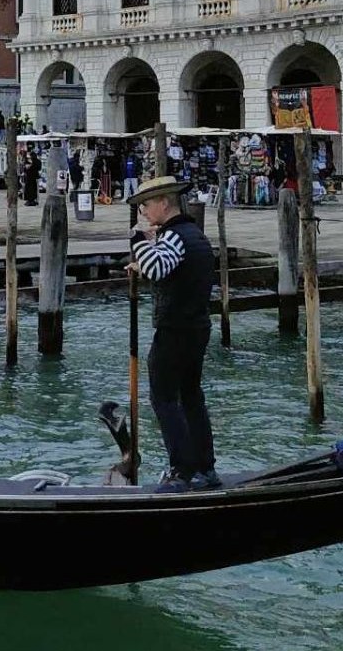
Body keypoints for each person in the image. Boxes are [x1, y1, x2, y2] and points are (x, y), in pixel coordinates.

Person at [126, 175, 220, 492]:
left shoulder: (174, 236)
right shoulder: (193, 235)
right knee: (191, 397)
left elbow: (155, 268)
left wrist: (138, 238)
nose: (144, 213)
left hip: (175, 330)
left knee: (164, 398)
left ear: (164, 203)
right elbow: (171, 267)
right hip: (197, 327)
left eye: (146, 206)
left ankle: (181, 470)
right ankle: (205, 468)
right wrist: (146, 258)